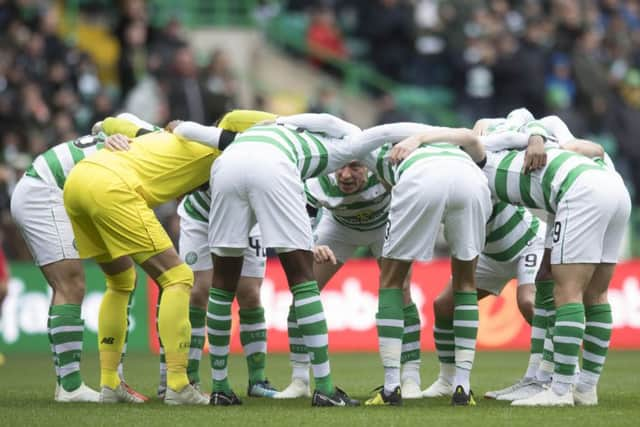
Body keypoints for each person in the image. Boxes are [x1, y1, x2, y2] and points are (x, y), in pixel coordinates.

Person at [391, 118, 630, 407]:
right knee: (595, 295)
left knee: (563, 293)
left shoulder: (479, 155)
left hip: (561, 209)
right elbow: (592, 147)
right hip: (610, 190)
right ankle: (582, 387)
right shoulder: (540, 146)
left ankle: (561, 388)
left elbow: (471, 134)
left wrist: (417, 139)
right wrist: (541, 137)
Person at [62, 110, 276, 405]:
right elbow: (239, 119)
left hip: (77, 182)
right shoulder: (225, 151)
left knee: (120, 281)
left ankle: (110, 384)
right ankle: (177, 385)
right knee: (177, 277)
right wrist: (285, 123)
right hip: (112, 187)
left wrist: (103, 131)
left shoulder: (154, 134)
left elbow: (112, 121)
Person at [9, 114, 154, 403]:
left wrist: (104, 129)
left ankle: (114, 382)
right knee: (71, 284)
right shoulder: (153, 150)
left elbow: (105, 124)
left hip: (76, 194)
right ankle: (70, 386)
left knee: (124, 274)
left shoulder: (142, 134)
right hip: (46, 190)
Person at [276, 161, 421, 399]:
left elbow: (416, 197)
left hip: (385, 225)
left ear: (369, 164)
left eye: (355, 167)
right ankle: (300, 380)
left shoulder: (386, 170)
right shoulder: (317, 183)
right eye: (340, 168)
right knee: (303, 290)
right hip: (339, 228)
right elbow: (300, 222)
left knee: (402, 292)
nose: (345, 175)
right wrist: (313, 244)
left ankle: (410, 378)